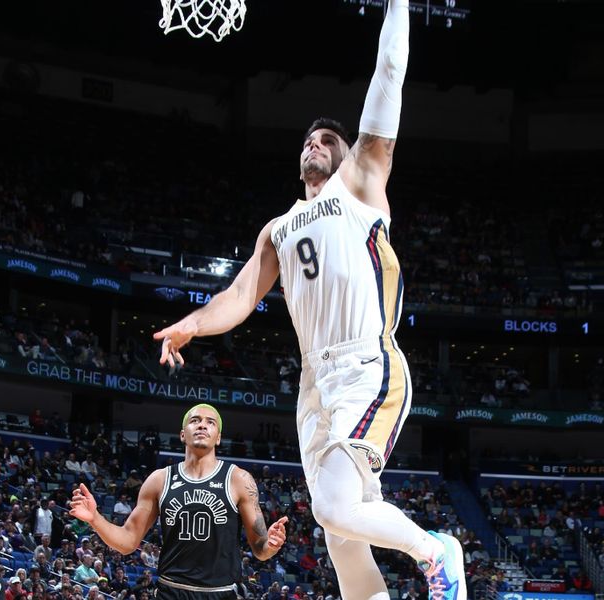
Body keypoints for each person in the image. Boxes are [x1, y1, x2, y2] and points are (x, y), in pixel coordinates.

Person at [151, 2, 464, 600]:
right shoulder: (279, 226)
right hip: (314, 385)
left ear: (348, 154)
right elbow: (241, 294)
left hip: (367, 364)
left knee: (334, 505)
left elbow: (390, 70)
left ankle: (435, 550)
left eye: (327, 139)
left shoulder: (362, 184)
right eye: (308, 140)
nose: (315, 144)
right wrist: (190, 325)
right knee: (339, 529)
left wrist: (398, 5)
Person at [70, 403, 288, 599]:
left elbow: (260, 549)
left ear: (218, 437)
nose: (202, 425)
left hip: (220, 593)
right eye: (195, 420)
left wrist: (272, 544)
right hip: (170, 591)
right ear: (183, 434)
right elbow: (128, 542)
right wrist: (95, 518)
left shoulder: (238, 479)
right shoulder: (159, 480)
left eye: (210, 422)